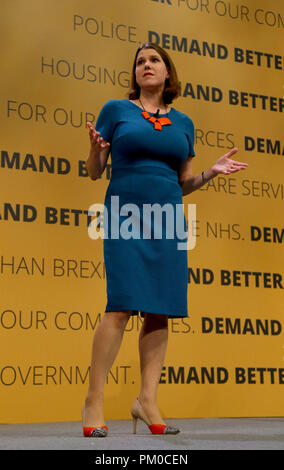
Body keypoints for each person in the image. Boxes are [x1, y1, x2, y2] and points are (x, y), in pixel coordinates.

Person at [82, 42, 248, 437]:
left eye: (154, 60)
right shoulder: (116, 111)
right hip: (125, 215)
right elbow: (93, 171)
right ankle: (94, 400)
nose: (146, 65)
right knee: (120, 306)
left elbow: (182, 183)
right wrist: (94, 151)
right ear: (135, 73)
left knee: (159, 310)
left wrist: (210, 172)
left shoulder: (185, 123)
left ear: (168, 73)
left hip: (168, 219)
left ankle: (146, 400)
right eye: (140, 61)